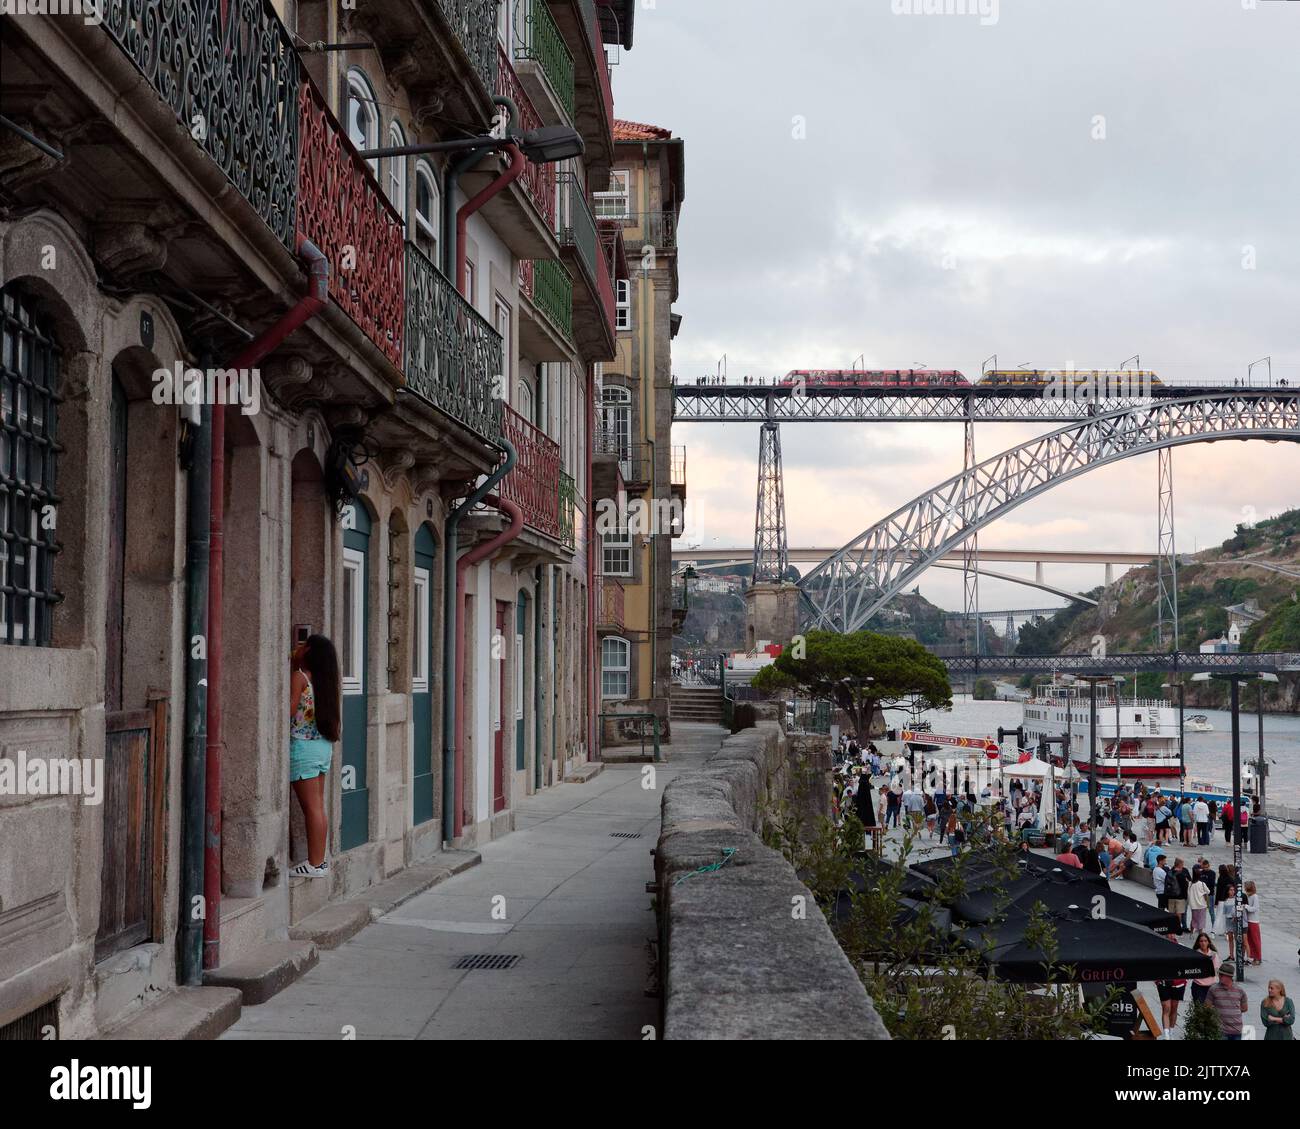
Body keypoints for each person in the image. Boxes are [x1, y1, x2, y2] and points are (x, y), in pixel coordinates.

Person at [288, 634, 342, 879]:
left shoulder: (300, 678)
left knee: (311, 808)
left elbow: (288, 711)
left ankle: (314, 862)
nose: (296, 648)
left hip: (303, 748)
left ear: (309, 651)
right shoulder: (324, 682)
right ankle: (319, 862)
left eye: (302, 645)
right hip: (322, 747)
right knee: (318, 806)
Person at [1156, 933, 1187, 1039]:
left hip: (1178, 983)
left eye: (1172, 933)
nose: (1170, 935)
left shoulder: (1181, 947)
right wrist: (1157, 980)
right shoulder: (1159, 948)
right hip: (1163, 982)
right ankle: (1166, 1035)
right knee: (1166, 1008)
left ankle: (1172, 1031)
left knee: (1174, 1008)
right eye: (1168, 933)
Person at [1205, 963, 1248, 1040]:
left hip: (1237, 1030)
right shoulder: (1213, 989)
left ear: (1230, 977)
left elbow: (1244, 1008)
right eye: (1219, 974)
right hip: (1221, 1031)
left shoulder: (1240, 990)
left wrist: (1232, 1011)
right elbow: (1207, 1006)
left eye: (1222, 975)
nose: (1220, 976)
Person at [1189, 933, 1220, 1006]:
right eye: (1201, 941)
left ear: (1208, 942)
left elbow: (1216, 970)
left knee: (1211, 1009)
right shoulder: (1194, 954)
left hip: (1211, 986)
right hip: (1198, 985)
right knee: (1199, 1009)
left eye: (1205, 941)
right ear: (1198, 942)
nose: (1203, 943)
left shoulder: (1213, 954)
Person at [1165, 858, 1190, 925]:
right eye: (1182, 864)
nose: (1183, 865)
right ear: (1179, 864)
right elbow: (1185, 887)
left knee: (1171, 913)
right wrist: (1185, 897)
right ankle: (1177, 929)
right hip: (1180, 897)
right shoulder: (1181, 874)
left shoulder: (1169, 873)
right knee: (1178, 914)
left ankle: (1171, 928)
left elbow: (1166, 885)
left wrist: (1166, 896)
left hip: (1170, 896)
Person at [1187, 866, 1210, 936]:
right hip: (1202, 905)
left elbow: (1188, 893)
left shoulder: (1190, 883)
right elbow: (1208, 891)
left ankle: (1191, 933)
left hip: (1193, 905)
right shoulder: (1202, 884)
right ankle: (1200, 934)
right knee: (1201, 920)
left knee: (1194, 919)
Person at [1243, 881, 1262, 965]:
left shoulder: (1255, 896)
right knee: (1250, 941)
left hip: (1254, 921)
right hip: (1248, 921)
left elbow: (1255, 908)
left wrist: (1246, 906)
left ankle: (1258, 957)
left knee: (1256, 941)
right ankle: (1253, 957)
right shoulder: (1248, 896)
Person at [1215, 865, 1233, 934]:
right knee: (1229, 915)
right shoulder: (1230, 878)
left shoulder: (1220, 878)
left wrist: (1216, 902)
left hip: (1222, 899)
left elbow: (1218, 891)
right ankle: (1228, 930)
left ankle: (1225, 930)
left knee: (1221, 916)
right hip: (1229, 898)